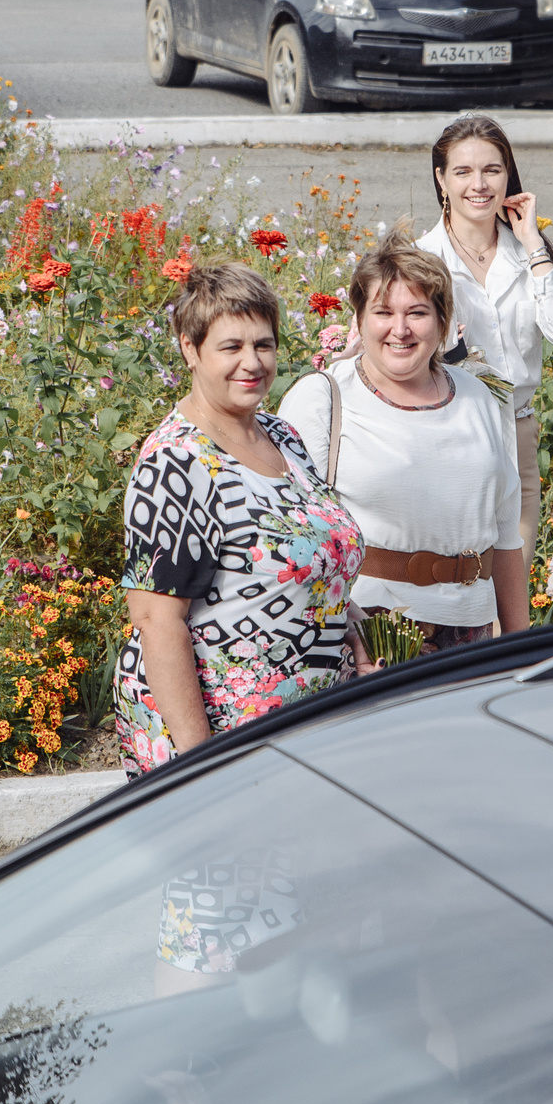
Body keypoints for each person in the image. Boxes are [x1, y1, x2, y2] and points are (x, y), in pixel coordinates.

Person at [118, 263, 364, 779]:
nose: (252, 363)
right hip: (229, 739)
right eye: (231, 347)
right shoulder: (178, 462)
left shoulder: (282, 437)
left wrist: (357, 633)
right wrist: (202, 764)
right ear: (190, 348)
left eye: (264, 345)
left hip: (308, 721)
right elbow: (156, 621)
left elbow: (317, 557)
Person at [278, 229, 528, 656]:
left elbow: (505, 536)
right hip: (364, 633)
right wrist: (352, 636)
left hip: (469, 633)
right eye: (382, 312)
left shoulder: (480, 396)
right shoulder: (323, 398)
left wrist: (522, 645)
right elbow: (290, 540)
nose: (400, 329)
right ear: (358, 320)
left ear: (442, 320)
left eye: (417, 312)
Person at [416, 115, 553, 547]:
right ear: (441, 179)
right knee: (460, 582)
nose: (479, 184)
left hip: (518, 434)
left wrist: (531, 241)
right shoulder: (420, 260)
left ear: (508, 175)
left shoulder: (525, 252)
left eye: (492, 170)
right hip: (450, 434)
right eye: (463, 171)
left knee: (512, 600)